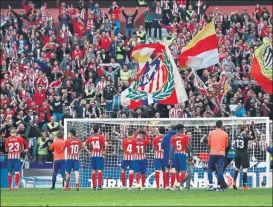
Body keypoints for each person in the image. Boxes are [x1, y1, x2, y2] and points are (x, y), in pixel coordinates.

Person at [83, 124, 108, 190]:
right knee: (99, 170)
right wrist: (105, 151)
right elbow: (106, 144)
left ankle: (94, 186)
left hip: (93, 155)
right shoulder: (101, 136)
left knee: (93, 170)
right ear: (99, 129)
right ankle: (99, 185)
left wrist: (88, 152)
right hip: (99, 155)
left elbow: (84, 144)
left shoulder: (91, 137)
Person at [233, 123, 256, 190]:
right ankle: (244, 186)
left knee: (237, 168)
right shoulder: (245, 136)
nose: (247, 128)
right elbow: (253, 137)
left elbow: (234, 144)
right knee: (245, 170)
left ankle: (234, 181)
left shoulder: (236, 135)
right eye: (247, 127)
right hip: (243, 154)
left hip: (236, 154)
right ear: (245, 129)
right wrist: (252, 129)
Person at [207, 120, 229, 191]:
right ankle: (220, 186)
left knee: (209, 169)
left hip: (213, 153)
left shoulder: (211, 133)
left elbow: (209, 144)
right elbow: (226, 145)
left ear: (215, 125)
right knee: (219, 170)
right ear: (221, 125)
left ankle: (210, 185)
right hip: (221, 154)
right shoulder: (225, 134)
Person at [169, 124, 189, 190]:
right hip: (182, 154)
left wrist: (170, 158)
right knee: (183, 170)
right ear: (181, 129)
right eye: (183, 128)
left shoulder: (173, 137)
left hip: (175, 154)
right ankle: (179, 183)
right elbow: (187, 147)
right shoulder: (185, 137)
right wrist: (189, 155)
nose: (184, 129)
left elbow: (172, 148)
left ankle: (178, 184)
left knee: (177, 170)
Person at [161, 125, 177, 190]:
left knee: (166, 169)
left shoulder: (165, 137)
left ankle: (167, 185)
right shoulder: (177, 137)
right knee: (174, 170)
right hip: (175, 155)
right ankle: (172, 186)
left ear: (170, 129)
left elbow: (162, 147)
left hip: (167, 154)